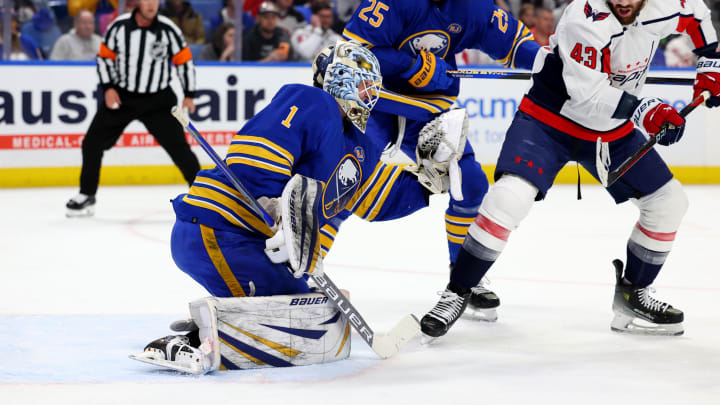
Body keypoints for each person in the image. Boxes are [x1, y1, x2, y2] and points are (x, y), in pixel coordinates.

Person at [130, 41, 449, 373]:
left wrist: (432, 182)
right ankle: (191, 345)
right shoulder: (312, 101)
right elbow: (259, 152)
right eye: (362, 82)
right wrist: (277, 209)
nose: (369, 92)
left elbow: (378, 201)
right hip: (222, 229)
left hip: (245, 243)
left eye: (373, 85)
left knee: (316, 313)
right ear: (338, 79)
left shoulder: (359, 149)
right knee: (304, 323)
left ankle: (220, 321)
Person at [420, 0, 720, 338]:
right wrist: (646, 110)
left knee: (669, 203)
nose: (622, 2)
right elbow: (587, 96)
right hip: (550, 121)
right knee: (509, 199)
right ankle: (458, 291)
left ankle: (633, 294)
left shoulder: (668, 4)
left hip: (611, 131)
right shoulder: (584, 17)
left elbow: (698, 17)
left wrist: (712, 62)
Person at [342, 0, 540, 321]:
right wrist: (410, 66)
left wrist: (554, 62)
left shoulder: (473, 7)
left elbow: (516, 45)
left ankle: (464, 276)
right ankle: (304, 258)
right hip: (376, 103)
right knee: (345, 176)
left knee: (472, 184)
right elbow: (354, 52)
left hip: (428, 108)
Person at [65, 0, 200, 217]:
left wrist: (189, 94)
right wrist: (108, 88)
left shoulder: (168, 29)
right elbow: (105, 59)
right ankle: (86, 194)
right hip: (123, 97)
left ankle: (203, 196)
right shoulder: (119, 27)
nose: (151, 4)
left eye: (155, 0)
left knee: (180, 149)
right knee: (92, 143)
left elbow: (184, 62)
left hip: (158, 99)